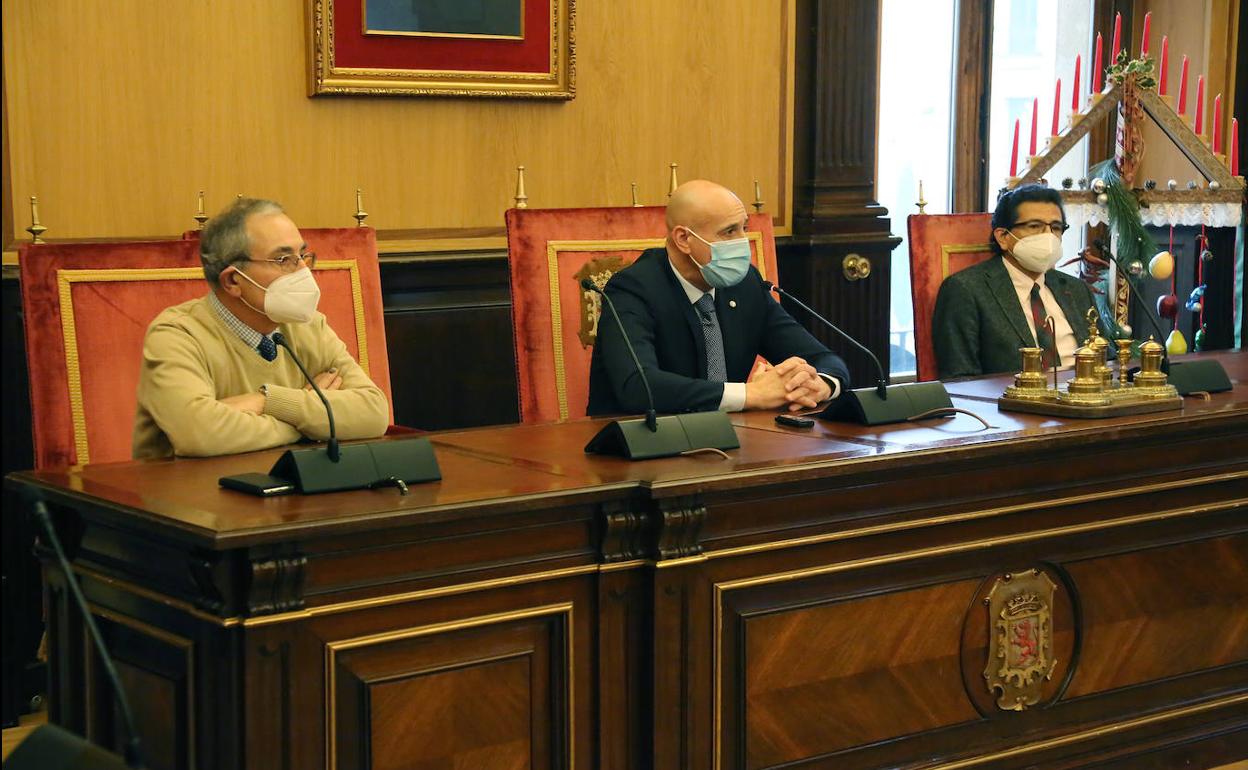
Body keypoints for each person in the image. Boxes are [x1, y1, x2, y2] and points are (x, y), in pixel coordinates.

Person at [133, 198, 389, 458]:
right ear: (233, 280)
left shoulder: (309, 325)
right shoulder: (177, 333)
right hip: (194, 493)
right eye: (283, 259)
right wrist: (314, 419)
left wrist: (267, 401)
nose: (304, 272)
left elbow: (373, 413)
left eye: (302, 256)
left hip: (287, 491)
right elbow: (199, 433)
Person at [587, 180, 850, 416]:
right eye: (729, 232)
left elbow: (824, 359)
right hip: (639, 450)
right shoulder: (633, 290)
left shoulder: (745, 283)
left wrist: (821, 385)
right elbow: (639, 386)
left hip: (728, 445)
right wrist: (751, 395)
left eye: (744, 228)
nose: (743, 241)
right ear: (683, 239)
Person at [932, 184, 1103, 379]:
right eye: (1034, 226)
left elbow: (1106, 358)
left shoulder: (1076, 289)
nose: (1048, 236)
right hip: (1011, 405)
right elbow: (960, 378)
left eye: (1055, 227)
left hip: (1086, 398)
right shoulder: (965, 289)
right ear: (1003, 237)